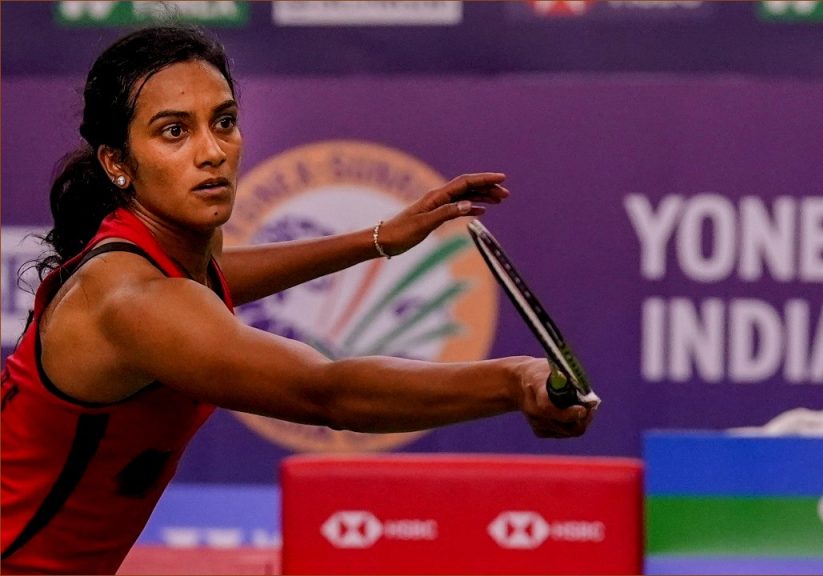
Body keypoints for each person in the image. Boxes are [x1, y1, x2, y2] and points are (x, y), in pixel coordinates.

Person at [0, 25, 594, 574]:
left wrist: (378, 239)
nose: (212, 151)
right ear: (117, 162)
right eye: (174, 132)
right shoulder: (131, 301)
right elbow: (327, 391)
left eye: (224, 122)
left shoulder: (162, 257)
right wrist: (513, 381)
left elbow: (214, 279)